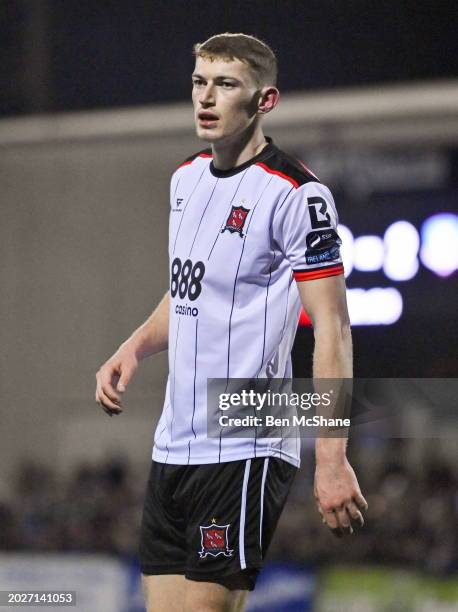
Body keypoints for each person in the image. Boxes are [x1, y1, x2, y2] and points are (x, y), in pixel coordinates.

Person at [95, 33, 367, 612]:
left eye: (225, 85)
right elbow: (190, 290)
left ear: (265, 101)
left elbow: (333, 328)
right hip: (174, 443)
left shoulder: (296, 193)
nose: (206, 98)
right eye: (199, 82)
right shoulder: (185, 179)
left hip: (244, 440)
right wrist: (136, 346)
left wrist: (333, 456)